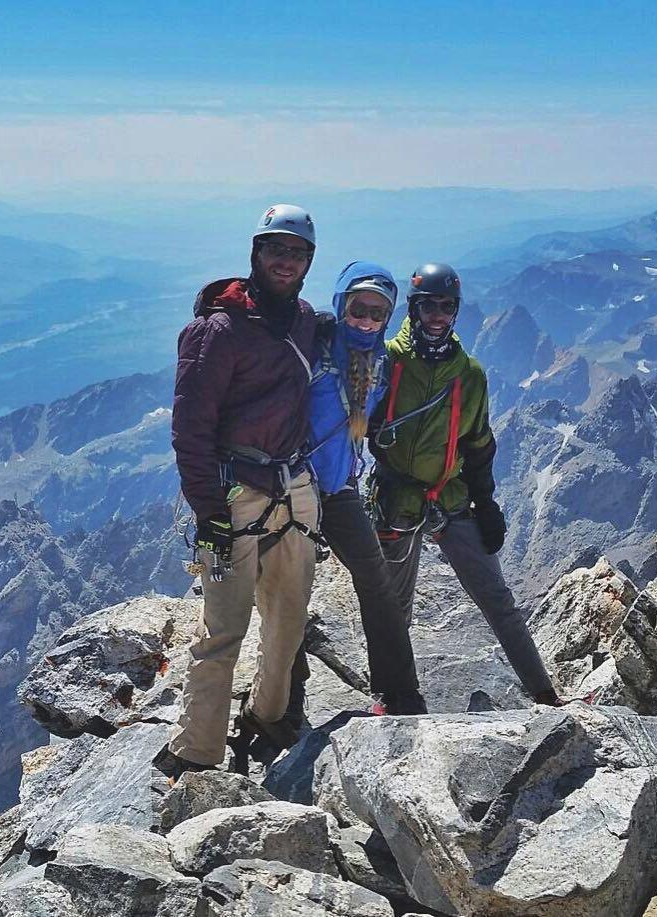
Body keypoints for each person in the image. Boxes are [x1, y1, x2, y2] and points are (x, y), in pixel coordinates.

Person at [159, 204, 322, 780]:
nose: (285, 261)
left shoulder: (305, 321)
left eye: (296, 253)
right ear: (256, 254)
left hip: (294, 487)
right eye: (276, 250)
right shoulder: (217, 331)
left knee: (289, 616)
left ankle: (269, 715)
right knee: (224, 627)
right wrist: (208, 511)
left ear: (309, 262)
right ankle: (199, 751)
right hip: (234, 496)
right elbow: (190, 427)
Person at [368, 262, 563, 706]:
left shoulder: (469, 374)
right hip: (397, 499)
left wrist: (487, 505)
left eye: (447, 307)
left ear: (455, 312)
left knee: (497, 599)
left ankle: (545, 694)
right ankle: (393, 695)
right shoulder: (389, 362)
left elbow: (478, 446)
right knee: (394, 608)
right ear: (414, 310)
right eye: (429, 306)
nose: (438, 315)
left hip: (448, 496)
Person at [287, 262, 427, 721]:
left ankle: (400, 694)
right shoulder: (312, 344)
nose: (366, 321)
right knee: (290, 594)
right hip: (293, 489)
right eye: (357, 309)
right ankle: (284, 703)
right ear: (340, 304)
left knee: (376, 579)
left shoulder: (381, 361)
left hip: (339, 491)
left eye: (377, 314)